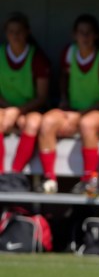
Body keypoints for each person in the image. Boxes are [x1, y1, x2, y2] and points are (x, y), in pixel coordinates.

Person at [37, 14, 99, 194]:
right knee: (47, 121)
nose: (85, 36)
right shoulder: (69, 53)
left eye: (89, 33)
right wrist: (64, 99)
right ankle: (49, 179)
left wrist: (80, 114)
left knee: (87, 124)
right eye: (81, 32)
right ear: (74, 34)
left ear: (96, 35)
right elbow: (64, 77)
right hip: (73, 109)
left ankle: (90, 179)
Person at [0, 12, 50, 175]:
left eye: (19, 31)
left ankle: (15, 173)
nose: (15, 36)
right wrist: (9, 109)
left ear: (27, 32)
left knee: (33, 123)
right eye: (11, 31)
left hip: (29, 109)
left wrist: (18, 111)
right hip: (5, 108)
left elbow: (42, 96)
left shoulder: (37, 57)